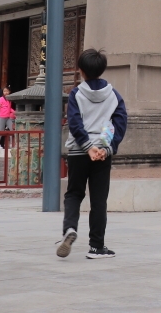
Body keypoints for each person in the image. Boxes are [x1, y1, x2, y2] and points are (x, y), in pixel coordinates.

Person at [57, 49, 126, 260]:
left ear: (80, 71)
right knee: (99, 200)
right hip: (103, 153)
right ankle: (97, 247)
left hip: (79, 151)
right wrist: (106, 148)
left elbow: (75, 123)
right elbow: (121, 122)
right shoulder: (114, 95)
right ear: (102, 69)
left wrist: (87, 147)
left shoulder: (76, 94)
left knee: (74, 194)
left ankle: (69, 228)